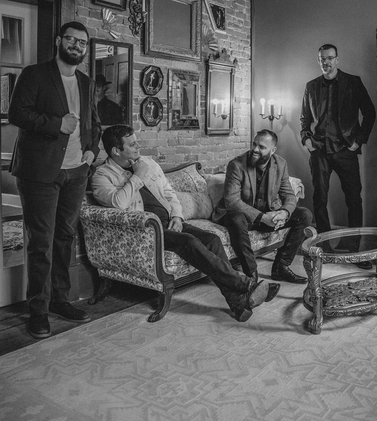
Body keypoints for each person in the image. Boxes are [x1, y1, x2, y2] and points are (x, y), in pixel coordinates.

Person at [91, 125, 279, 322]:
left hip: (170, 222)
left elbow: (168, 192)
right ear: (116, 150)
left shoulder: (148, 163)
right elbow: (118, 203)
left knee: (212, 240)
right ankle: (247, 284)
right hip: (146, 231)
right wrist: (138, 176)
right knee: (189, 242)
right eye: (132, 144)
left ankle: (237, 303)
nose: (138, 146)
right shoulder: (102, 176)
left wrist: (177, 216)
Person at [8, 21, 101, 339]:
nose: (77, 46)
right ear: (59, 41)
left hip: (76, 172)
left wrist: (92, 151)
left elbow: (94, 123)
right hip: (40, 173)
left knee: (65, 238)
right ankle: (38, 310)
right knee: (41, 243)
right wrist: (56, 124)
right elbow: (17, 114)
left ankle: (60, 300)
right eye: (72, 40)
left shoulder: (86, 82)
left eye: (83, 43)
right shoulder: (35, 74)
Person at [300, 44, 376, 269]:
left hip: (345, 150)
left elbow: (370, 112)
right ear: (319, 60)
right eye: (322, 59)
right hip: (319, 150)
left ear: (337, 60)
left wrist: (358, 141)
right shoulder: (311, 86)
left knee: (354, 199)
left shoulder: (353, 82)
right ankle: (325, 248)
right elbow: (305, 118)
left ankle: (355, 252)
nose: (326, 62)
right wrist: (306, 140)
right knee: (319, 199)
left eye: (330, 58)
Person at [213, 129, 313, 284]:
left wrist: (284, 213)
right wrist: (262, 217)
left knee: (304, 214)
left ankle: (281, 267)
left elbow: (288, 195)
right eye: (254, 144)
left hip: (266, 214)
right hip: (238, 214)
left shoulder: (280, 164)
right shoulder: (237, 165)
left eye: (261, 147)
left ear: (273, 150)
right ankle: (251, 274)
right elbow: (232, 201)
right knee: (236, 219)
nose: (255, 149)